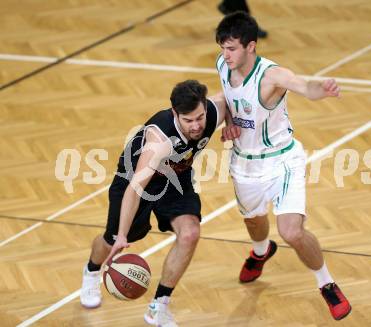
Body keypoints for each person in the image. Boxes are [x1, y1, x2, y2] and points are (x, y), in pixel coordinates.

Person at [215, 12, 352, 320]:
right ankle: (261, 252)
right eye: (223, 47)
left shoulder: (272, 75)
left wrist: (322, 89)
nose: (226, 54)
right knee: (254, 221)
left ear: (251, 46)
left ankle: (326, 283)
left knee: (291, 231)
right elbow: (227, 97)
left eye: (233, 48)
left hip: (282, 160)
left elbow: (304, 87)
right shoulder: (223, 64)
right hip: (244, 163)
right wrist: (227, 120)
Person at [80, 80, 229, 327]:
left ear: (205, 107)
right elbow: (134, 189)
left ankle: (159, 305)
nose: (196, 126)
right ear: (175, 114)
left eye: (199, 118)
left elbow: (233, 96)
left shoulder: (214, 110)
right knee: (111, 238)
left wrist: (232, 124)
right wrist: (122, 236)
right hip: (135, 182)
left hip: (176, 180)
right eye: (188, 120)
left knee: (190, 233)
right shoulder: (159, 140)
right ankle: (92, 270)